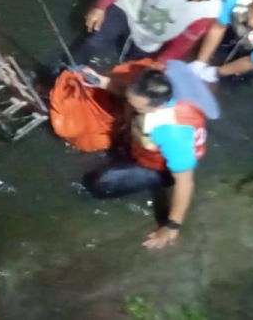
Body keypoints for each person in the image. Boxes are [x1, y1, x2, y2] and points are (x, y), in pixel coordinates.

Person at [51, 60, 219, 250]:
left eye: (137, 107)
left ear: (156, 106)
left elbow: (185, 182)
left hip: (158, 168)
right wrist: (101, 81)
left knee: (97, 185)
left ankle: (149, 182)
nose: (131, 105)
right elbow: (128, 94)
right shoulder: (164, 92)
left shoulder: (172, 133)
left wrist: (172, 226)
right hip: (144, 147)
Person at [74, 0, 232, 66]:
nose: (194, 0)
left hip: (150, 39)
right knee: (93, 42)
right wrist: (101, 7)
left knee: (129, 68)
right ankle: (64, 71)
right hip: (129, 9)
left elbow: (186, 39)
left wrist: (162, 62)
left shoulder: (211, 10)